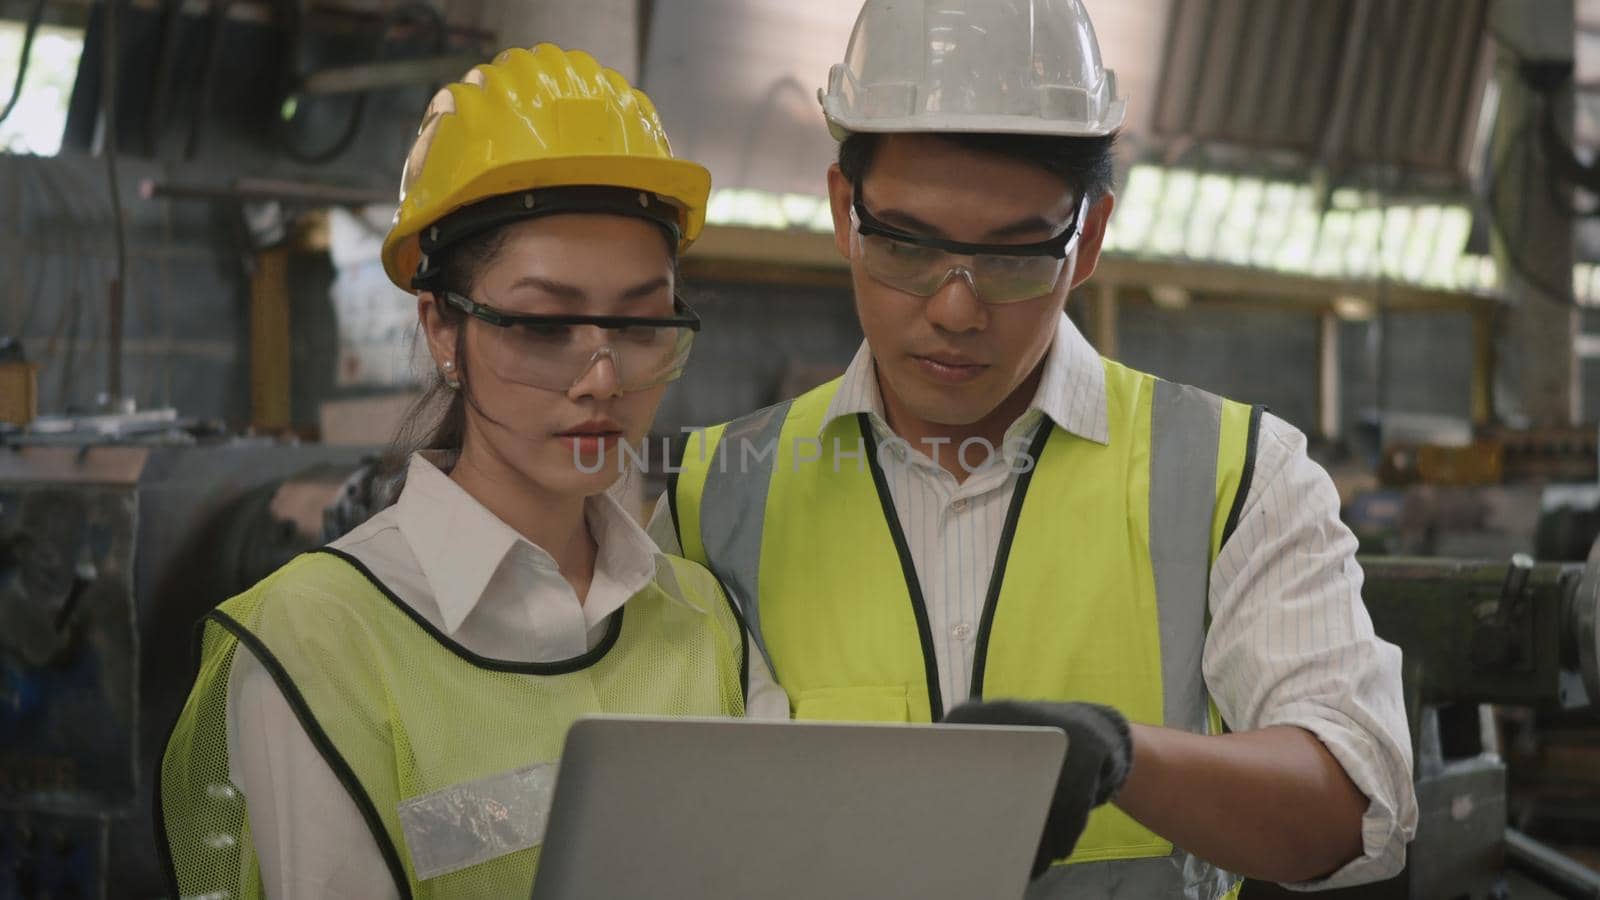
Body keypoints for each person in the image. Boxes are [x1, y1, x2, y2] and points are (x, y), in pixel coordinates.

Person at [650, 1, 1419, 896]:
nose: (954, 307)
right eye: (907, 245)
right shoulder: (708, 499)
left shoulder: (1235, 475)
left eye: (1016, 257)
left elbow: (1355, 807)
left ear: (1086, 238)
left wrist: (1127, 763)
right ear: (842, 212)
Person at [158, 44, 783, 899]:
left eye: (640, 325)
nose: (601, 377)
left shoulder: (704, 625)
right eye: (542, 326)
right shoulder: (318, 639)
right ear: (442, 329)